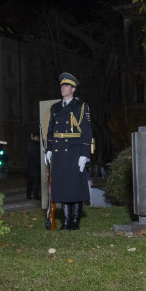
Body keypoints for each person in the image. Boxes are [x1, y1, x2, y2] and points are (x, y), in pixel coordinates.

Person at [45, 72, 91, 230]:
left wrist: (84, 154)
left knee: (75, 187)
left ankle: (74, 222)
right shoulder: (55, 108)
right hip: (59, 153)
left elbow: (87, 131)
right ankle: (65, 222)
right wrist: (49, 149)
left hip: (74, 152)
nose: (62, 88)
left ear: (73, 89)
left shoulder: (81, 106)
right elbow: (50, 131)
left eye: (66, 86)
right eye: (61, 86)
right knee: (63, 187)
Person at [26, 132, 41, 200]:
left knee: (30, 182)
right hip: (36, 166)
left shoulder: (29, 144)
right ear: (37, 137)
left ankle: (28, 195)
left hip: (30, 166)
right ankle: (35, 196)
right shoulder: (38, 145)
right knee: (36, 183)